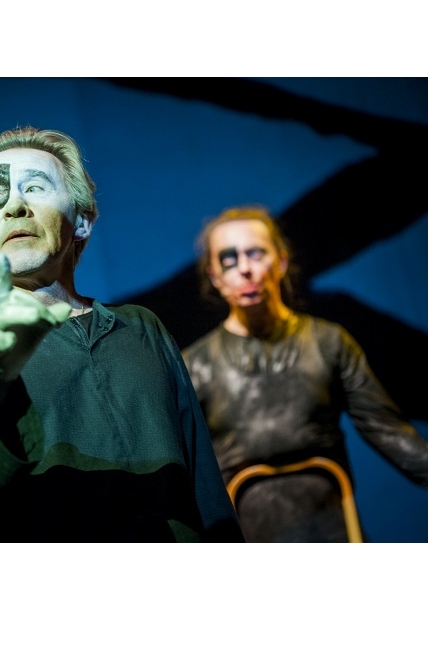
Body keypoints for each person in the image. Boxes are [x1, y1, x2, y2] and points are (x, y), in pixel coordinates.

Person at [0, 126, 243, 542]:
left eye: (35, 187)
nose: (14, 207)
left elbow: (205, 489)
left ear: (82, 221)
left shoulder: (141, 329)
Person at [181, 204, 428, 542]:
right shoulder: (195, 365)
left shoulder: (327, 342)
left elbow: (389, 432)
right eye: (229, 259)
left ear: (281, 261)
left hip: (333, 530)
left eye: (256, 253)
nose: (245, 269)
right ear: (214, 276)